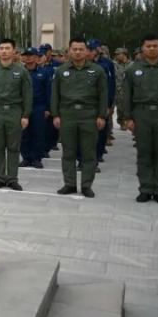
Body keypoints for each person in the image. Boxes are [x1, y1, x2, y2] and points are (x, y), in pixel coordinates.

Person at [122, 33, 158, 204]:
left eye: (155, 45)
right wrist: (127, 118)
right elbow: (127, 96)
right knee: (144, 153)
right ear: (142, 48)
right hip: (141, 115)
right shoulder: (133, 70)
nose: (152, 49)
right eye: (148, 46)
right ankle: (146, 189)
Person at [51, 37, 107, 198]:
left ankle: (86, 185)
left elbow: (103, 95)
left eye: (81, 49)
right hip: (67, 115)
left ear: (87, 51)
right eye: (74, 49)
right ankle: (69, 183)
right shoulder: (61, 71)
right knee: (68, 152)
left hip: (89, 116)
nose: (77, 52)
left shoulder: (97, 71)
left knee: (89, 153)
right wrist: (56, 114)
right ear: (69, 51)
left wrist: (101, 116)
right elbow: (55, 95)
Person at [0, 39, 32, 191]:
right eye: (1, 48)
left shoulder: (21, 71)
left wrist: (25, 115)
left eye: (7, 48)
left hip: (14, 111)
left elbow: (27, 95)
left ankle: (12, 178)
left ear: (13, 51)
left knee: (13, 147)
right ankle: (0, 177)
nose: (3, 51)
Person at [20, 47, 52, 169]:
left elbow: (48, 92)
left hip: (39, 106)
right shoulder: (20, 72)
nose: (28, 57)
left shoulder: (43, 73)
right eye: (26, 55)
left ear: (36, 57)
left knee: (38, 133)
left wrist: (48, 108)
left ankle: (36, 158)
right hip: (23, 107)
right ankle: (26, 157)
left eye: (31, 55)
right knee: (24, 133)